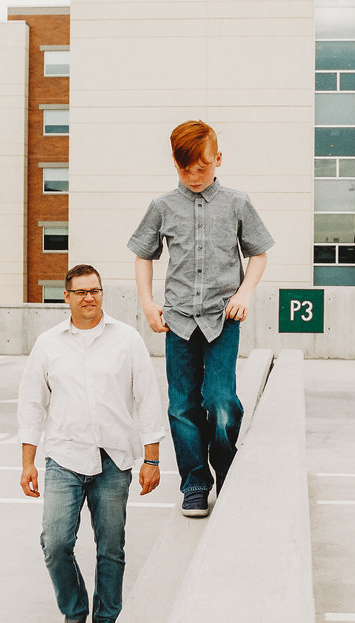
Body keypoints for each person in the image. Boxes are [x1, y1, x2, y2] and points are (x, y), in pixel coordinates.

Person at [127, 120, 274, 517]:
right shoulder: (162, 207)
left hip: (222, 318)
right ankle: (195, 482)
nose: (194, 177)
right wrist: (147, 303)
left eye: (203, 168)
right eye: (185, 169)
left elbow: (258, 253)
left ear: (218, 159)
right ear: (174, 164)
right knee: (182, 406)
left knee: (221, 401)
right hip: (177, 320)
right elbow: (144, 254)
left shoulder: (238, 203)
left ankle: (225, 468)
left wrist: (244, 293)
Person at [18, 264, 165, 623]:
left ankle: (105, 618)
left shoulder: (127, 339)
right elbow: (32, 403)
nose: (89, 298)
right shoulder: (48, 343)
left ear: (102, 294)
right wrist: (28, 462)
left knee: (111, 549)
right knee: (55, 544)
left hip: (114, 461)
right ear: (66, 297)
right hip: (64, 458)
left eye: (95, 291)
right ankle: (75, 611)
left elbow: (147, 398)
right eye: (81, 292)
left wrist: (152, 459)